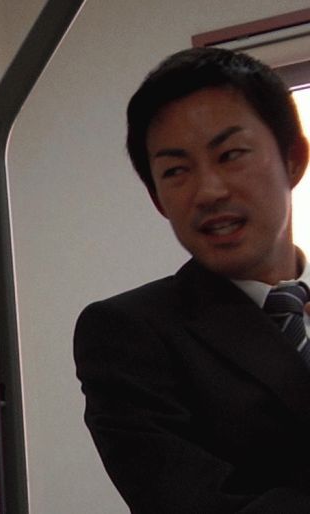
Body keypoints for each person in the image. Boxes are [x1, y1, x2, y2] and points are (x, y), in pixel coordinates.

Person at [74, 47, 310, 513]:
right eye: (176, 171)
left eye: (231, 154)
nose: (209, 191)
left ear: (294, 159)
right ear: (157, 198)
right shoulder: (127, 332)